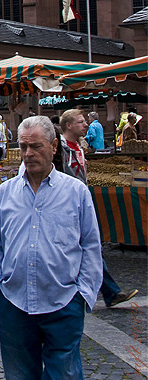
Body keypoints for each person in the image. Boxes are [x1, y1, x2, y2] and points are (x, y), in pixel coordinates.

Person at [0, 115, 103, 380]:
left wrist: (84, 293)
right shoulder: (6, 193)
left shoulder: (75, 192)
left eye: (35, 146)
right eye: (22, 146)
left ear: (53, 146)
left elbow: (91, 245)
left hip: (63, 302)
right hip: (15, 303)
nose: (28, 153)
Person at [58, 109, 138, 309]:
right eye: (81, 122)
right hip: (66, 204)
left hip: (79, 203)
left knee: (89, 247)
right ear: (68, 125)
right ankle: (106, 292)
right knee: (87, 248)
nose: (86, 124)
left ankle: (107, 292)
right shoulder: (59, 148)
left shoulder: (78, 146)